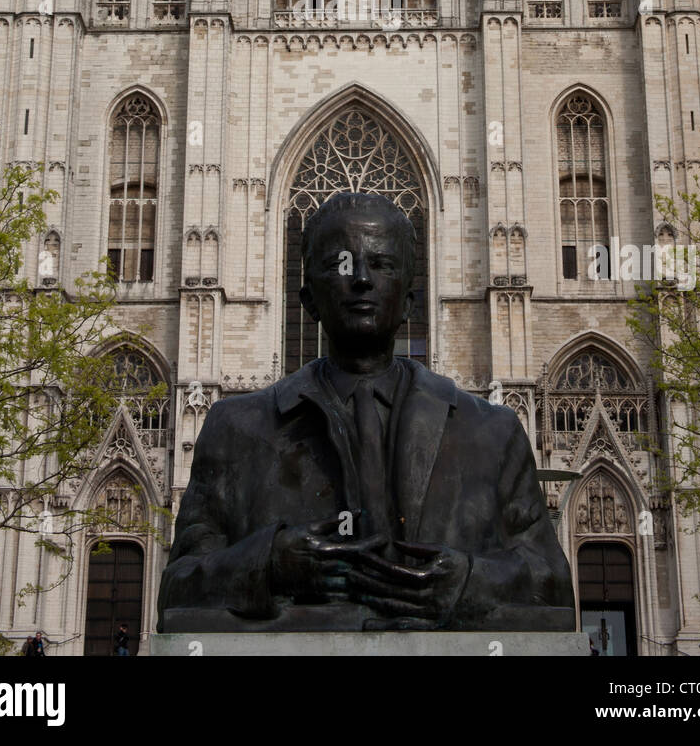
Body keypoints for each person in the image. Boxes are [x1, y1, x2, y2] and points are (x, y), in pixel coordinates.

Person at [158, 192, 576, 632]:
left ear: (410, 301)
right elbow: (178, 589)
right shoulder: (235, 428)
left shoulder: (491, 432)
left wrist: (469, 582)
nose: (360, 279)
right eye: (341, 263)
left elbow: (552, 585)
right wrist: (268, 564)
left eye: (381, 264)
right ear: (308, 301)